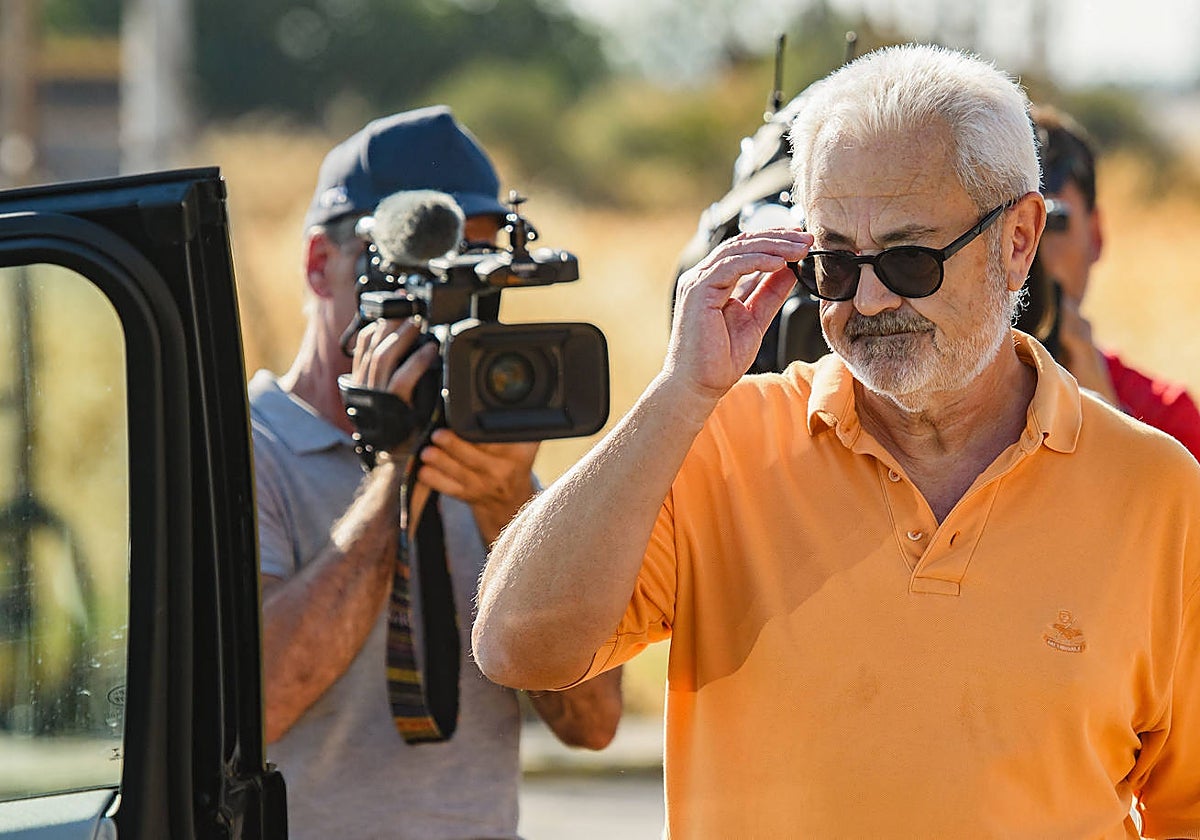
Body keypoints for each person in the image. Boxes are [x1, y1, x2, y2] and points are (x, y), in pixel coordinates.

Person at [473, 45, 1200, 838]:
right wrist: (679, 392)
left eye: (910, 259)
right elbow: (518, 647)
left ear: (1018, 238)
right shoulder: (717, 443)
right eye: (835, 265)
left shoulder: (1159, 492)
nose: (871, 297)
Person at [250, 105, 623, 840]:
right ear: (320, 266)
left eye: (470, 275)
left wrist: (509, 502)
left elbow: (595, 720)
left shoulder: (486, 453)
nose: (441, 307)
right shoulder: (247, 447)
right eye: (417, 271)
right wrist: (396, 473)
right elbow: (252, 705)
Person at [1031, 103, 1200, 460]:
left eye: (1051, 222)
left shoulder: (1164, 415)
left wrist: (1111, 419)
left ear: (1096, 236)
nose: (1028, 250)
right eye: (1008, 226)